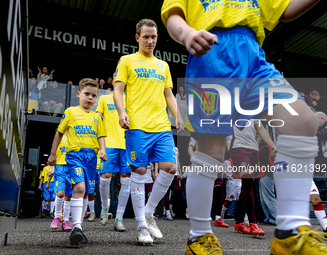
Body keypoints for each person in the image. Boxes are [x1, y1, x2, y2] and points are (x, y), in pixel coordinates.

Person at [162, 1, 327, 254]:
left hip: (253, 57)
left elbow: (285, 11)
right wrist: (187, 34)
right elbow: (173, 14)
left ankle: (290, 232)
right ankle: (199, 237)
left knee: (303, 121)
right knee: (211, 150)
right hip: (211, 54)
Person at [113, 19, 184, 245]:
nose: (150, 40)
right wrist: (121, 112)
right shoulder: (126, 61)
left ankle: (149, 212)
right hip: (137, 126)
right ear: (137, 38)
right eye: (146, 36)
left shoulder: (163, 66)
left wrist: (178, 115)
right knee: (141, 171)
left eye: (153, 36)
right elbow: (117, 91)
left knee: (170, 168)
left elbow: (168, 95)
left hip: (161, 125)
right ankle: (141, 227)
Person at [48, 78, 107, 246]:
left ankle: (78, 228)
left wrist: (102, 150)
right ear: (78, 93)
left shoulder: (97, 117)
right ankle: (76, 227)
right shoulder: (71, 111)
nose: (90, 98)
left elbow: (101, 135)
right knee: (79, 188)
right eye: (87, 94)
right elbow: (59, 133)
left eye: (94, 95)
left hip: (91, 157)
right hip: (75, 156)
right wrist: (53, 154)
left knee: (87, 192)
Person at [96, 73, 131, 232]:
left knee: (126, 179)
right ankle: (104, 207)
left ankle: (119, 218)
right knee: (106, 177)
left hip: (128, 145)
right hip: (109, 143)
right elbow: (97, 120)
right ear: (112, 79)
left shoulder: (131, 98)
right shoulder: (104, 98)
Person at [48, 133, 72, 231]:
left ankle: (66, 221)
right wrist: (50, 168)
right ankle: (57, 216)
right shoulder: (58, 137)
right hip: (60, 168)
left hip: (71, 167)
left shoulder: (75, 134)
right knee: (61, 193)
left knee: (68, 196)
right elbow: (53, 154)